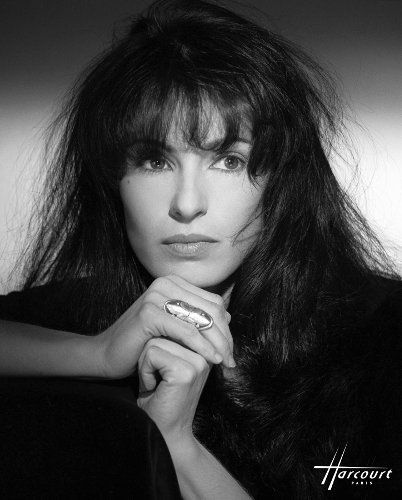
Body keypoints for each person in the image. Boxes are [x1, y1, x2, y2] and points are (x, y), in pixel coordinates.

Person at [0, 0, 401, 498]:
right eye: (153, 161)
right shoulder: (83, 316)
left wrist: (173, 442)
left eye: (229, 160)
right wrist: (97, 353)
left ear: (281, 182)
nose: (187, 204)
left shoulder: (383, 338)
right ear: (112, 183)